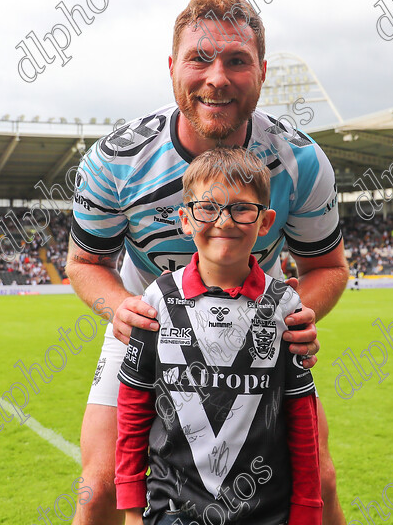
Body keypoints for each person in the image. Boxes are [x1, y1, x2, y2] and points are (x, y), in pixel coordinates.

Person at [66, 0, 348, 525]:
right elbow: (84, 263)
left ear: (262, 71)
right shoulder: (114, 160)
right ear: (173, 68)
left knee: (322, 481)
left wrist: (292, 316)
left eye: (237, 60)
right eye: (200, 58)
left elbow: (328, 269)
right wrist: (123, 309)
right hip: (147, 321)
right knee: (99, 486)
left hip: (258, 322)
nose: (217, 77)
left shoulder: (302, 162)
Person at [115, 147, 321, 525]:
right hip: (171, 511)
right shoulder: (156, 300)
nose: (224, 221)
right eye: (208, 208)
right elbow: (133, 404)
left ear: (265, 221)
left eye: (242, 208)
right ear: (185, 219)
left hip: (264, 513)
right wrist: (131, 505)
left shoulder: (286, 306)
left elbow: (300, 414)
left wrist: (308, 507)